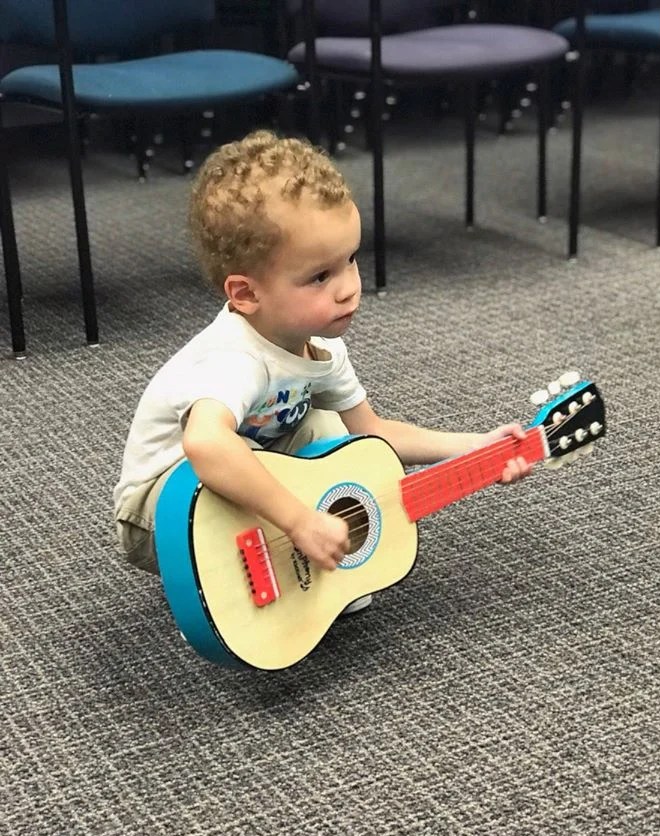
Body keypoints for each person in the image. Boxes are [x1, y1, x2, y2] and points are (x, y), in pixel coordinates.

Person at [113, 130, 531, 598]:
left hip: (245, 465)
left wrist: (475, 446)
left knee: (332, 431)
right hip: (160, 510)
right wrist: (299, 520)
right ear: (246, 294)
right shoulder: (235, 359)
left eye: (351, 260)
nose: (349, 287)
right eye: (319, 276)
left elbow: (374, 432)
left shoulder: (321, 350)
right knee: (256, 449)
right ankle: (269, 566)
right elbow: (206, 444)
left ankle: (304, 585)